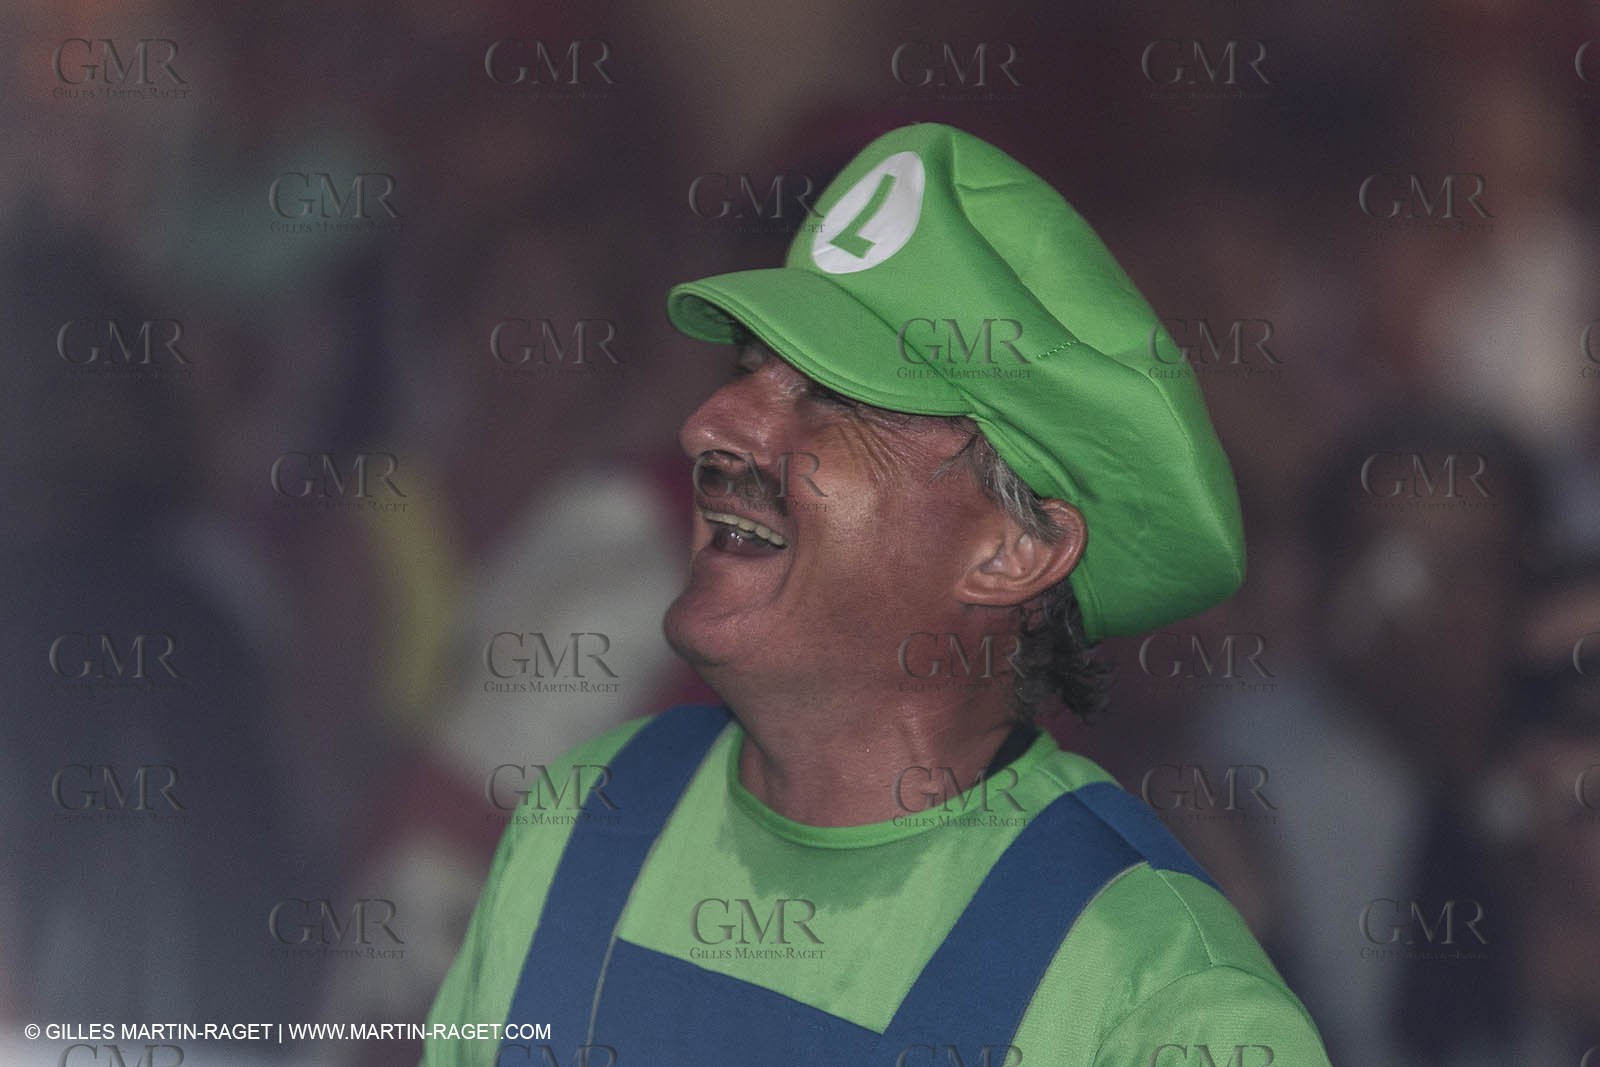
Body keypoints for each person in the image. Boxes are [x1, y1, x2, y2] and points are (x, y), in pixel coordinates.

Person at [420, 122, 1331, 1066]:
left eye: (829, 395)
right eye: (746, 369)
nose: (709, 424)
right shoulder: (585, 816)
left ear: (1014, 550)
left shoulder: (1157, 1001)